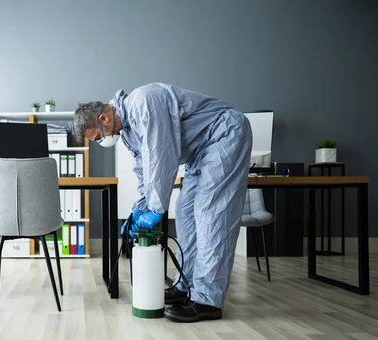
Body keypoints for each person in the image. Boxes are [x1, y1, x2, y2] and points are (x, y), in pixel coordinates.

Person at [73, 82, 253, 323]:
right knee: (185, 213)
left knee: (210, 214)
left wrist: (156, 208)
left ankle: (207, 300)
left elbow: (161, 156)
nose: (101, 142)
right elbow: (144, 173)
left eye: (97, 138)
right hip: (200, 153)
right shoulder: (128, 133)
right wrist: (139, 210)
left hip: (223, 135)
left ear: (104, 118)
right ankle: (185, 285)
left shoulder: (143, 102)